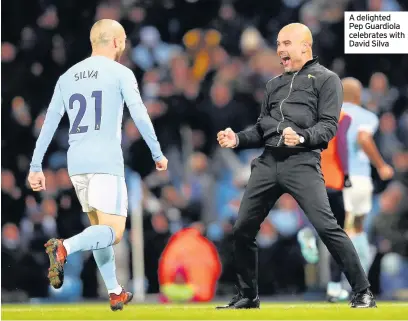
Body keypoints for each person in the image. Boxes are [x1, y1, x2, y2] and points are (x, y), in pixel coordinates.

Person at [216, 23, 376, 309]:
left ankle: (362, 291)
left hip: (302, 162)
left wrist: (302, 136)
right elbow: (261, 129)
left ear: (306, 46)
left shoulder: (327, 80)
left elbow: (329, 126)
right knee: (242, 228)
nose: (280, 50)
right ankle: (248, 295)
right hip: (267, 162)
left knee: (328, 228)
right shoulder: (272, 84)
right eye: (278, 44)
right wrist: (237, 138)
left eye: (286, 43)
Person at [27, 19, 168, 311]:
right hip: (105, 160)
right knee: (113, 232)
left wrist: (36, 165)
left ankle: (115, 291)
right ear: (116, 42)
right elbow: (139, 114)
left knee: (99, 230)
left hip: (76, 162)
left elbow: (49, 123)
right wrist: (157, 152)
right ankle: (63, 247)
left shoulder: (68, 76)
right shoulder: (121, 72)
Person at [297, 110, 352, 302]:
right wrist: (346, 174)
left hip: (310, 179)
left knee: (320, 226)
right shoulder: (342, 117)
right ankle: (335, 286)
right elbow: (342, 147)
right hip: (333, 184)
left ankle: (309, 232)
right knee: (337, 238)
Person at [341, 77, 394, 272]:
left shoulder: (327, 116)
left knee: (336, 229)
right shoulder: (366, 116)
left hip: (330, 180)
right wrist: (381, 165)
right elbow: (364, 138)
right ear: (358, 95)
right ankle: (357, 282)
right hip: (357, 179)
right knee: (355, 230)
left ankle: (341, 282)